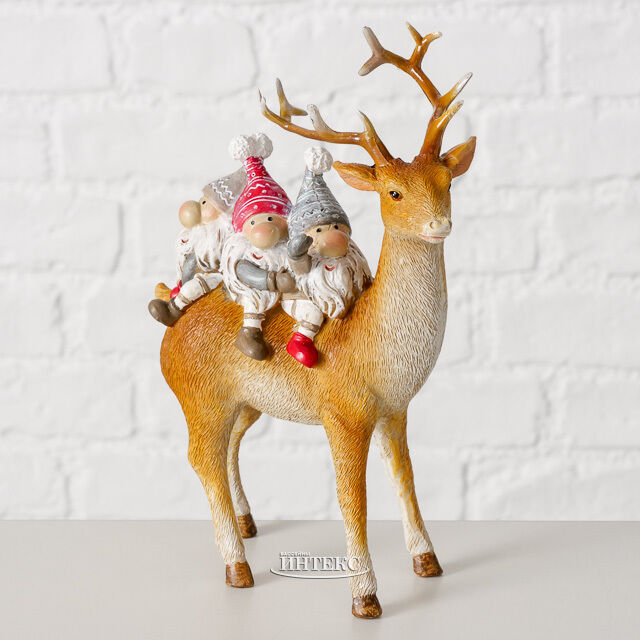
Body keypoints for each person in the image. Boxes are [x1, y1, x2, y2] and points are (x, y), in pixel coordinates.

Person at [221, 133, 296, 360]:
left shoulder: (285, 250)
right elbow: (245, 271)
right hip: (260, 287)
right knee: (254, 299)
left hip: (288, 292)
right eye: (253, 222)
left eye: (272, 218)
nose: (264, 227)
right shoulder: (245, 253)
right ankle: (249, 332)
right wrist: (271, 281)